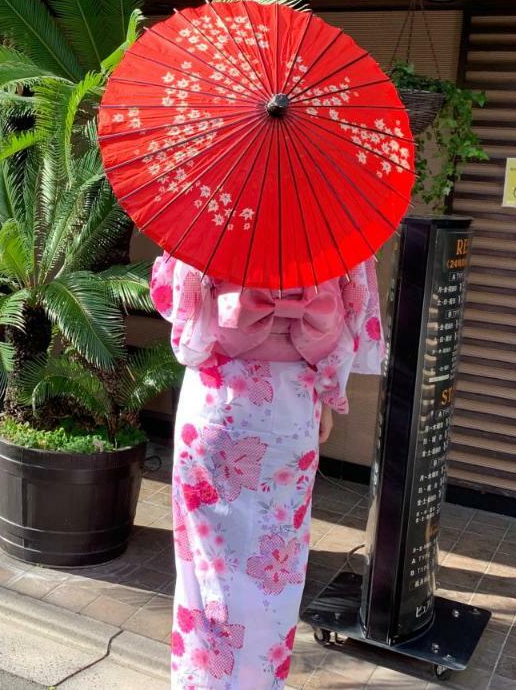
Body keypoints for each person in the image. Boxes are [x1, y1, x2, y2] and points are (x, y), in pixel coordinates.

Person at [152, 254, 384, 689]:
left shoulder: (212, 210)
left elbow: (171, 297)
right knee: (274, 566)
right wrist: (329, 390)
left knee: (206, 562)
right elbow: (350, 313)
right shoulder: (334, 225)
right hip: (292, 405)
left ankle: (202, 682)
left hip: (217, 397)